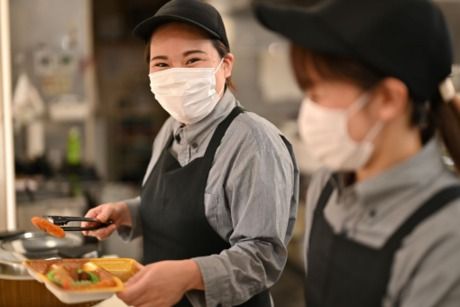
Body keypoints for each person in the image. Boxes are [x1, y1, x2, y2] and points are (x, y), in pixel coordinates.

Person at [82, 0, 299, 306]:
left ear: (225, 65)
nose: (176, 75)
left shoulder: (254, 141)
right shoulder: (172, 127)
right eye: (162, 64)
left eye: (192, 60)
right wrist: (128, 212)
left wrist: (189, 275)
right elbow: (182, 207)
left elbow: (263, 257)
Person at [254, 0, 460, 306]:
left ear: (388, 99)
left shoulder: (447, 237)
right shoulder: (329, 183)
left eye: (317, 94)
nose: (307, 111)